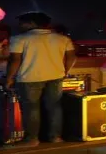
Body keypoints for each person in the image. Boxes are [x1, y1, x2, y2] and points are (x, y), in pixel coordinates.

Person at [4, 12, 76, 147]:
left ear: (31, 23)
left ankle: (32, 139)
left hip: (29, 78)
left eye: (22, 22)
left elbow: (15, 60)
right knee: (54, 107)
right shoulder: (62, 39)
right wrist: (65, 71)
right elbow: (72, 57)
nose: (19, 26)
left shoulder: (19, 39)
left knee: (31, 108)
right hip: (56, 77)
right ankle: (55, 137)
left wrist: (9, 78)